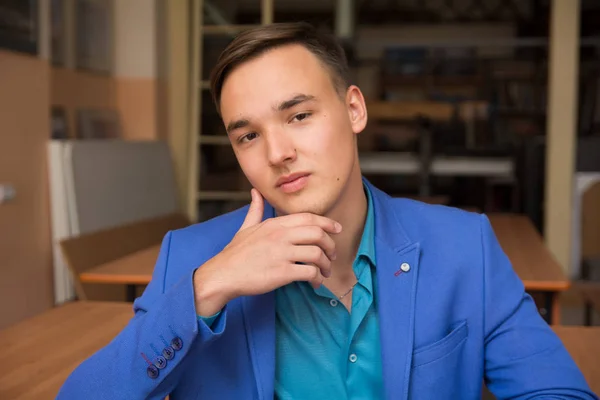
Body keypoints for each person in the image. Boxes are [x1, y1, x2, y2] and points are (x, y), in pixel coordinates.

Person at [58, 22, 597, 400]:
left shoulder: (464, 248)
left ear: (354, 108)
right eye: (248, 135)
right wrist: (208, 287)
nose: (277, 153)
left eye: (297, 116)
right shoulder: (194, 259)